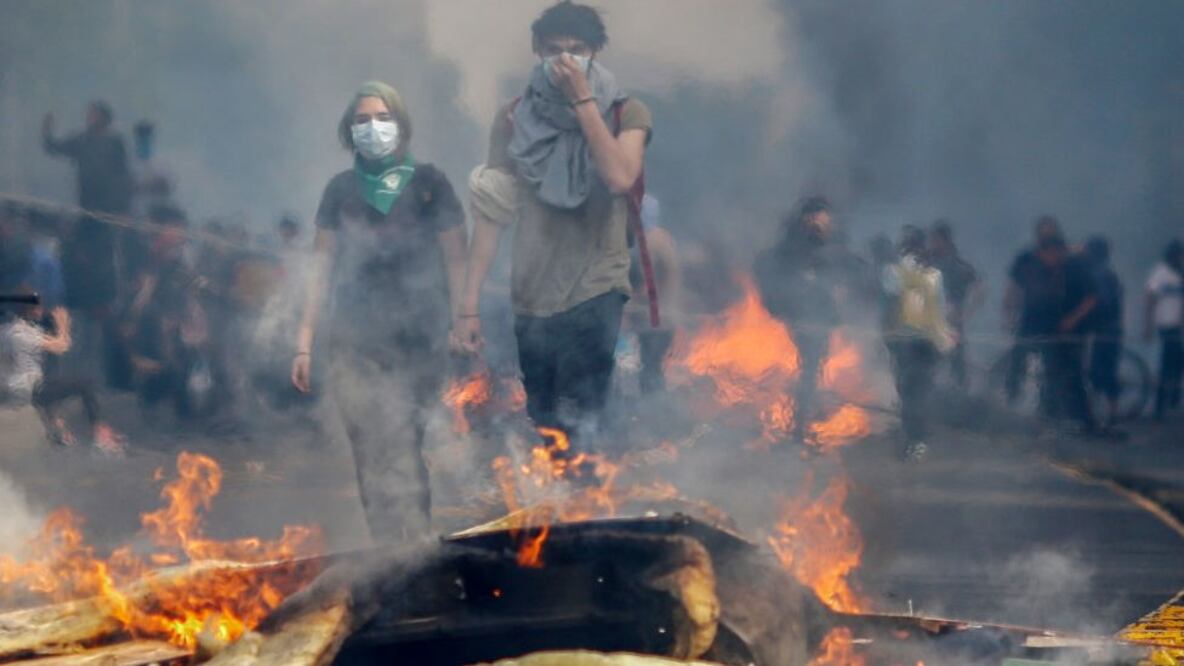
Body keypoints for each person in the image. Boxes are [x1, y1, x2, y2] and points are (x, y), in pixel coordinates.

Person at [453, 1, 652, 450]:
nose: (564, 61)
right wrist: (468, 307)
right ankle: (560, 508)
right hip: (533, 293)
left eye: (576, 50)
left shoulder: (627, 112)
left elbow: (620, 176)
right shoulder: (513, 118)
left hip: (596, 285)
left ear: (596, 52)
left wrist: (583, 102)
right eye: (553, 50)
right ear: (536, 51)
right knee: (544, 417)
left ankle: (584, 510)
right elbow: (492, 209)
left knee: (584, 415)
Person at [291, 81, 466, 543]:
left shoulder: (430, 183)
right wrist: (304, 343)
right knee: (368, 452)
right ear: (350, 132)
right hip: (354, 338)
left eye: (383, 117)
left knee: (406, 442)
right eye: (362, 120)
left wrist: (466, 319)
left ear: (401, 124)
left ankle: (418, 544)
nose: (373, 128)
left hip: (419, 337)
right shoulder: (339, 190)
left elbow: (456, 259)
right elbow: (321, 268)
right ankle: (385, 550)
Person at [42, 100, 133, 388]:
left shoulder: (115, 142)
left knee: (101, 250)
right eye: (88, 114)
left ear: (104, 118)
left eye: (94, 114)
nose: (89, 117)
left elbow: (123, 175)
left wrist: (122, 208)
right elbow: (54, 147)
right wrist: (46, 132)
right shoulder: (81, 140)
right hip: (88, 208)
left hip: (107, 210)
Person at [754, 197, 858, 440]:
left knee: (813, 368)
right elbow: (771, 268)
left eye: (825, 217)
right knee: (810, 371)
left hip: (821, 320)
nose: (824, 222)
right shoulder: (794, 248)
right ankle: (800, 425)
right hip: (805, 321)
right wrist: (782, 307)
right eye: (819, 216)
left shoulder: (829, 247)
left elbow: (845, 271)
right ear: (808, 218)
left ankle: (806, 413)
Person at [0, 294, 125, 454]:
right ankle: (98, 433)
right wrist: (63, 323)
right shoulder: (21, 333)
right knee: (85, 384)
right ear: (28, 310)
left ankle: (56, 425)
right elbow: (61, 346)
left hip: (21, 386)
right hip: (29, 389)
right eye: (38, 307)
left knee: (54, 379)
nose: (42, 310)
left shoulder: (10, 330)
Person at [881, 226, 954, 461]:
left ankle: (915, 438)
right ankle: (917, 438)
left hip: (907, 341)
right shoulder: (934, 275)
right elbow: (940, 309)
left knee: (909, 391)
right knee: (918, 390)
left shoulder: (894, 272)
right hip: (923, 341)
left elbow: (888, 298)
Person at [625, 194, 681, 394]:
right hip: (666, 321)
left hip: (655, 323)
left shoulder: (648, 243)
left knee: (650, 375)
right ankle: (656, 414)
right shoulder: (663, 237)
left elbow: (645, 288)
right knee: (653, 371)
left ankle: (653, 417)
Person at [927, 220, 982, 388]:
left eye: (935, 239)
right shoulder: (928, 262)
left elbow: (980, 288)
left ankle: (960, 397)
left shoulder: (958, 265)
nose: (933, 243)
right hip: (928, 323)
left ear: (945, 240)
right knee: (926, 365)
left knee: (957, 365)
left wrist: (965, 313)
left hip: (952, 323)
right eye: (932, 239)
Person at [1084, 236, 1124, 426]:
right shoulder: (1109, 274)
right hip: (1112, 329)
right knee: (1107, 371)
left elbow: (1101, 303)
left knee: (1100, 372)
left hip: (1104, 330)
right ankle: (1108, 413)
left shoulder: (1098, 275)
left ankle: (1099, 414)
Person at [1144, 239, 1184, 419]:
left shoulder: (1179, 275)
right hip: (1165, 325)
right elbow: (1150, 297)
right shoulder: (1161, 273)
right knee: (1168, 365)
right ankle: (1161, 405)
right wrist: (1148, 325)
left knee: (1176, 363)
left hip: (1176, 326)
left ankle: (1172, 398)